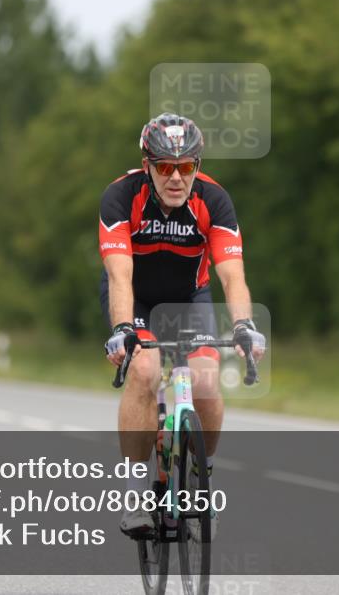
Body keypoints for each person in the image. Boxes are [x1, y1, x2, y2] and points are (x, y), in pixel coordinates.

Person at [99, 113, 266, 537]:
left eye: (186, 166)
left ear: (197, 166)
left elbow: (232, 275)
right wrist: (123, 329)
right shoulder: (120, 196)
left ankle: (200, 477)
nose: (176, 177)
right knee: (145, 371)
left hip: (189, 298)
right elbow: (119, 274)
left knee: (206, 381)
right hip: (136, 298)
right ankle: (134, 496)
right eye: (165, 167)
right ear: (147, 165)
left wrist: (244, 324)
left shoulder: (214, 200)